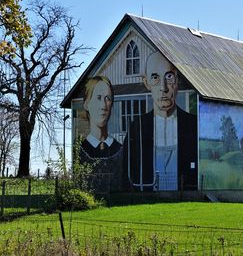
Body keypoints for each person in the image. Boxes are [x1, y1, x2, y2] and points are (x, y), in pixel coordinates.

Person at [124, 52, 197, 191]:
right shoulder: (137, 127)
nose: (163, 88)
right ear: (147, 83)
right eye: (155, 78)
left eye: (169, 77)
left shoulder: (193, 125)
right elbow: (128, 169)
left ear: (178, 80)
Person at [79, 75, 125, 192]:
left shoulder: (120, 149)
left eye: (108, 98)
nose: (104, 106)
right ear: (86, 104)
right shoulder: (80, 150)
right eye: (98, 98)